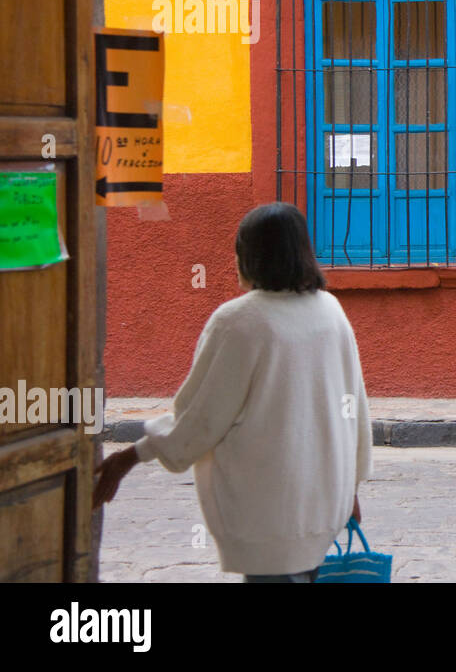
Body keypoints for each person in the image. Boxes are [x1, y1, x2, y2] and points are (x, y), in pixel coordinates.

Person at [93, 201, 371, 583]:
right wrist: (350, 487)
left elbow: (201, 417)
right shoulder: (331, 310)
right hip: (324, 507)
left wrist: (130, 457)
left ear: (250, 257)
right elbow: (353, 409)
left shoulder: (239, 322)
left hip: (270, 520)